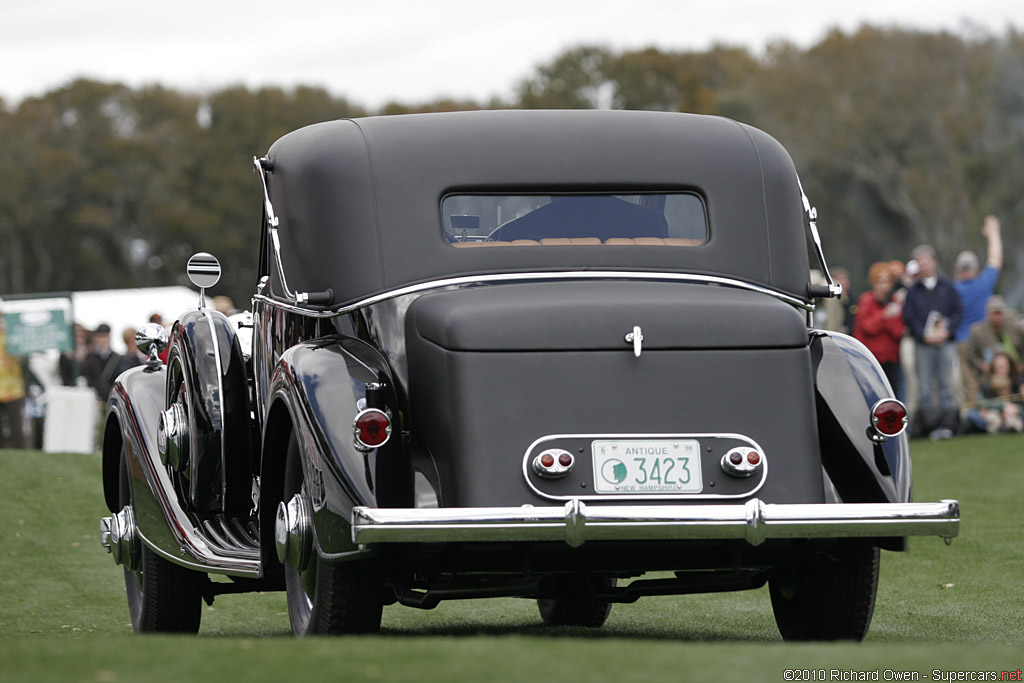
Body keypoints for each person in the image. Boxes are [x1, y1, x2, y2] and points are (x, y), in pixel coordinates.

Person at [902, 245, 962, 439]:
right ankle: (929, 426)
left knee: (946, 384)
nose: (924, 265)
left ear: (934, 262)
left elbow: (957, 311)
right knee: (925, 387)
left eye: (926, 261)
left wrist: (947, 330)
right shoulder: (913, 291)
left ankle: (947, 426)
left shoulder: (947, 286)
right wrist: (924, 335)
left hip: (945, 342)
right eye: (920, 262)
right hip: (923, 344)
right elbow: (909, 317)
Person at [853, 262, 904, 396]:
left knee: (892, 393)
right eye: (880, 281)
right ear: (873, 282)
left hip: (891, 358)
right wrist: (884, 316)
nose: (884, 286)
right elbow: (868, 327)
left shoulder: (894, 301)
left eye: (887, 281)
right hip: (871, 358)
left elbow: (898, 330)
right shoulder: (866, 300)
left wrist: (886, 319)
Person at [953, 215, 1002, 343]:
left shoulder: (951, 289)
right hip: (983, 341)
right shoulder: (982, 284)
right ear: (976, 268)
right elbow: (995, 260)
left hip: (960, 343)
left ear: (958, 269)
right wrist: (994, 234)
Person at [963, 295, 1024, 398]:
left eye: (999, 313)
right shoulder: (977, 331)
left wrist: (1021, 363)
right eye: (994, 313)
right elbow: (969, 355)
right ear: (988, 314)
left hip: (1015, 372)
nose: (997, 317)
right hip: (990, 373)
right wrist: (981, 365)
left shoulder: (1015, 327)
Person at [965, 349, 1024, 433]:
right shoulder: (986, 383)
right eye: (999, 366)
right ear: (993, 367)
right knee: (972, 415)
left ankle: (1008, 426)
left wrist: (1017, 409)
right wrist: (1003, 406)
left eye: (1004, 366)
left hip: (1014, 414)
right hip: (992, 413)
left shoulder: (1017, 382)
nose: (1002, 369)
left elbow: (1020, 405)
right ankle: (998, 426)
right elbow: (981, 403)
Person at [0, 311, 27, 449]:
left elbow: (23, 359)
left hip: (13, 390)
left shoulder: (14, 336)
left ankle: (19, 450)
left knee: (16, 428)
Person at [81, 323, 122, 401]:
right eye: (100, 337)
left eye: (105, 336)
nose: (103, 340)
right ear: (95, 338)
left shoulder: (117, 358)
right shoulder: (89, 357)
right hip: (92, 397)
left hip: (111, 397)